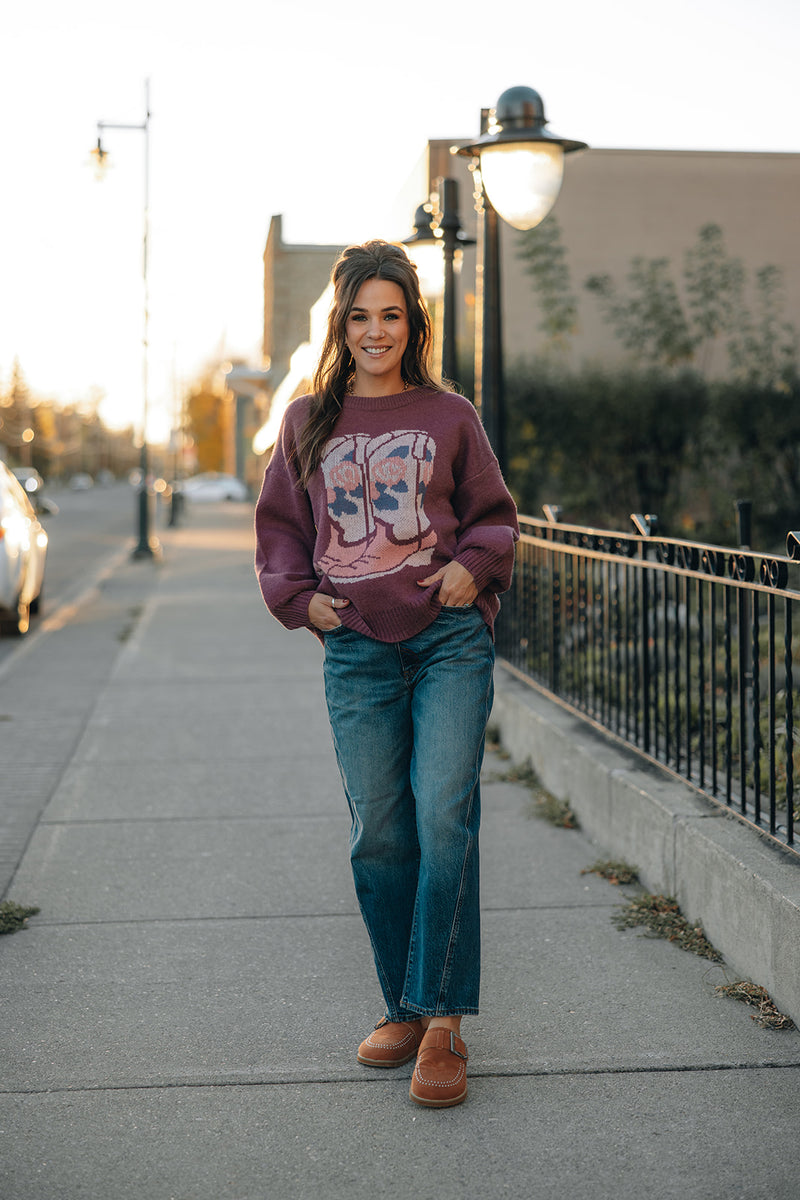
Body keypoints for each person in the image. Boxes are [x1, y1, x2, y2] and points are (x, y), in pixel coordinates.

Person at [254, 239, 518, 1108]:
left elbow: (495, 518)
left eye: (391, 315)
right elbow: (281, 529)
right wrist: (302, 602)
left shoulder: (449, 415)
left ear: (413, 323)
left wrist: (471, 568)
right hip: (359, 648)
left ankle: (442, 1024)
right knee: (379, 829)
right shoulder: (307, 422)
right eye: (360, 315)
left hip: (446, 640)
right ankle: (403, 1006)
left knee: (445, 815)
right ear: (342, 324)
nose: (375, 331)